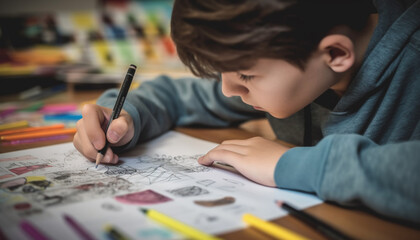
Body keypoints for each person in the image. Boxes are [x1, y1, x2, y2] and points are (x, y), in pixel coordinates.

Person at [73, 0, 420, 224]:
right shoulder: (290, 53)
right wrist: (127, 115)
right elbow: (177, 95)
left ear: (335, 54)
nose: (227, 91)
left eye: (246, 76)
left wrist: (292, 165)